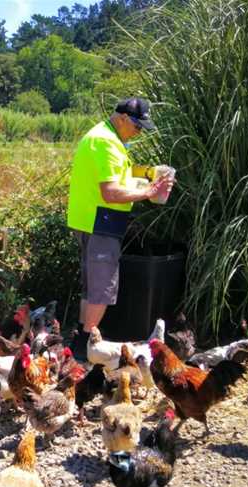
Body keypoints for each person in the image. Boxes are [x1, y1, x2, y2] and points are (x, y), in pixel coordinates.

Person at [66, 97, 174, 359]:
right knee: (102, 289)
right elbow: (111, 193)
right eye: (138, 127)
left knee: (90, 287)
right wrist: (149, 192)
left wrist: (148, 172)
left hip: (89, 220)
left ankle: (81, 340)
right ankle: (86, 347)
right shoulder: (107, 143)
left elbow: (119, 171)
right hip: (101, 221)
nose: (139, 133)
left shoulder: (104, 135)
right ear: (124, 118)